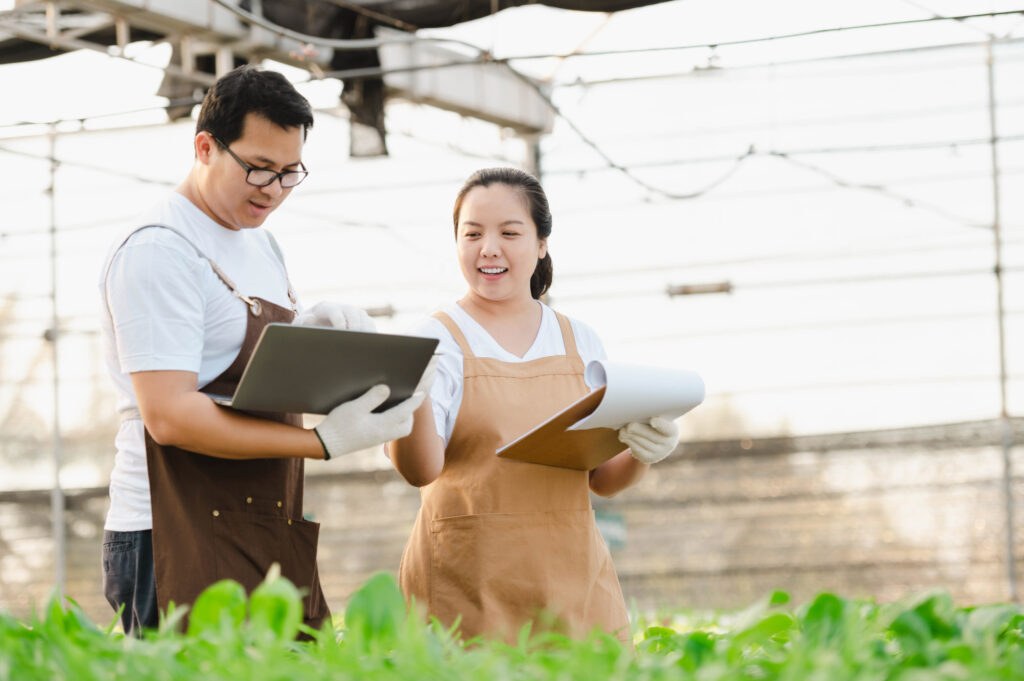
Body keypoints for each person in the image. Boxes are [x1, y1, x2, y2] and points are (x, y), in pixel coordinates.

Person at [98, 65, 426, 635]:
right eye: (258, 168)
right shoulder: (160, 251)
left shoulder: (261, 243)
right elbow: (170, 415)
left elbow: (249, 369)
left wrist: (315, 334)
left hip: (262, 518)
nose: (272, 189)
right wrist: (318, 442)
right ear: (205, 146)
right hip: (173, 529)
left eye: (289, 172)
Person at [387, 167, 679, 644]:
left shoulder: (580, 341)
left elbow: (601, 480)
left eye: (509, 232)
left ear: (541, 242)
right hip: (465, 591)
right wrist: (407, 396)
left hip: (573, 590)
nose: (489, 248)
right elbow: (420, 470)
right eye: (473, 234)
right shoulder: (432, 339)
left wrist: (642, 451)